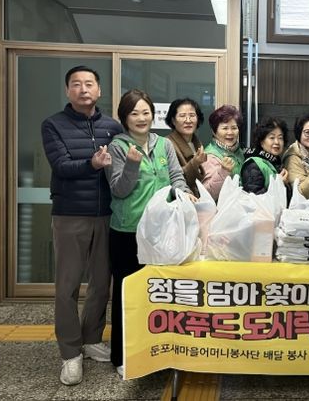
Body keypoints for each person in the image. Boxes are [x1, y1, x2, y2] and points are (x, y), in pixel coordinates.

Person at [41, 65, 123, 386]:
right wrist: (92, 163)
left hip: (107, 214)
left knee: (102, 283)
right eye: (76, 84)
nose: (83, 89)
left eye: (89, 83)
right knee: (68, 287)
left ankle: (91, 339)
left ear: (99, 90)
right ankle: (70, 352)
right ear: (68, 91)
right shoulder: (53, 125)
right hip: (70, 214)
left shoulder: (112, 127)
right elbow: (61, 165)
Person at [105, 89, 194, 378]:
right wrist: (132, 163)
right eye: (134, 113)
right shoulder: (117, 147)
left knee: (157, 294)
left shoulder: (163, 144)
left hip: (161, 231)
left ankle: (156, 352)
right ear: (124, 118)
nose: (141, 118)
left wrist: (184, 193)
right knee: (127, 295)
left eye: (146, 112)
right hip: (127, 231)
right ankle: (123, 356)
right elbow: (119, 189)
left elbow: (176, 177)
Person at [202, 105, 245, 201]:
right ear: (214, 131)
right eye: (225, 128)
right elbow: (207, 194)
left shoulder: (237, 151)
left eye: (234, 128)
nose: (230, 132)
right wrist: (223, 171)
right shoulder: (210, 156)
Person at [165, 97, 206, 196]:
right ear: (173, 120)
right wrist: (194, 163)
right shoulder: (167, 144)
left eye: (192, 115)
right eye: (182, 116)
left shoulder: (196, 143)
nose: (188, 120)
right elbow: (174, 178)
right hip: (179, 198)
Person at [241, 117, 289, 194]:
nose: (277, 142)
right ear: (261, 142)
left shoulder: (276, 162)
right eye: (272, 138)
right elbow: (255, 196)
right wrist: (279, 184)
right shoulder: (253, 165)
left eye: (280, 138)